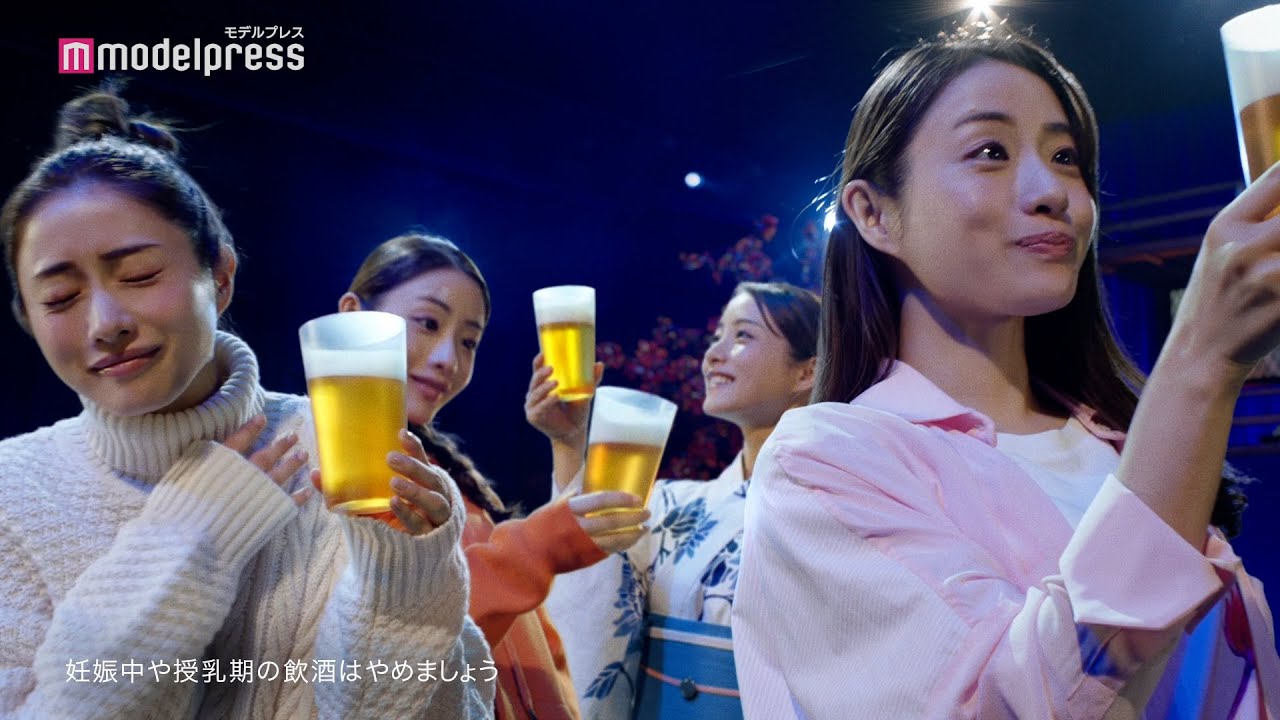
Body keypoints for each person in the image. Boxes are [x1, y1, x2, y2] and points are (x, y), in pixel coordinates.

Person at [731, 29, 1280, 719]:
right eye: (990, 151)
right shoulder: (824, 461)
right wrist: (1200, 359)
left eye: (1066, 157)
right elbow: (1003, 702)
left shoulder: (1114, 441)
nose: (1053, 191)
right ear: (875, 214)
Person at [0, 87, 493, 718]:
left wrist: (403, 581)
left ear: (222, 276)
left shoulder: (347, 456)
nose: (105, 323)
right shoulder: (15, 495)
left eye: (140, 275)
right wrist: (189, 540)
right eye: (60, 298)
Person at [338, 232, 649, 720]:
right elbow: (400, 656)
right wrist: (538, 546)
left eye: (468, 341)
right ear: (352, 315)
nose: (448, 358)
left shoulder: (443, 474)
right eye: (428, 323)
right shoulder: (336, 476)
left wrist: (568, 440)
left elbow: (538, 639)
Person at [534, 281, 819, 720]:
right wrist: (569, 443)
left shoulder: (839, 513)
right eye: (717, 336)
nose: (713, 354)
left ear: (806, 372)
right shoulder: (669, 506)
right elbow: (593, 585)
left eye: (742, 335)